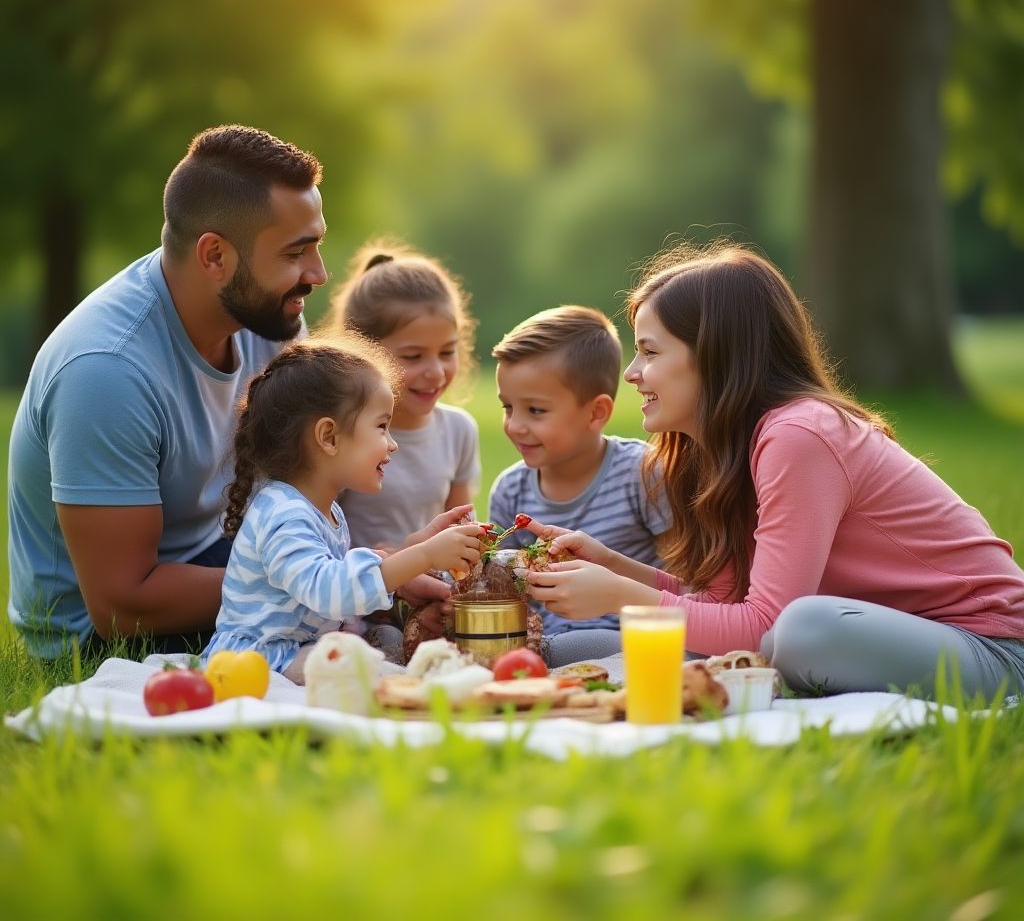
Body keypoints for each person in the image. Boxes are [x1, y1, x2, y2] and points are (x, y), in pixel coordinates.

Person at [523, 242, 1024, 698]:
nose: (632, 373)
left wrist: (623, 597)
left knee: (803, 630)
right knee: (598, 650)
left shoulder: (800, 436)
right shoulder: (720, 452)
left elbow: (763, 626)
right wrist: (615, 567)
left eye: (650, 352)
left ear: (717, 356)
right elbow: (722, 607)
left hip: (992, 648)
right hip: (888, 640)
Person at [8, 125, 330, 658]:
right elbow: (122, 605)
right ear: (215, 256)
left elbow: (308, 479)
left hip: (216, 556)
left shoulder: (266, 318)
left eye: (316, 245)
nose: (318, 273)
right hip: (105, 635)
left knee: (381, 614)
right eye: (296, 252)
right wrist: (318, 583)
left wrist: (377, 561)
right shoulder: (107, 371)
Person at [201, 337, 483, 682]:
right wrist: (424, 556)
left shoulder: (323, 510)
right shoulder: (284, 513)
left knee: (372, 652)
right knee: (358, 667)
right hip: (256, 660)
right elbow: (328, 591)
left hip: (295, 652)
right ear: (329, 437)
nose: (392, 444)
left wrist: (415, 548)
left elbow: (339, 577)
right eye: (381, 426)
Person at [489, 306, 670, 668]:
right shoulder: (510, 490)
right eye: (508, 407)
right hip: (543, 637)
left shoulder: (642, 473)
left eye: (535, 410)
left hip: (629, 636)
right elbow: (502, 588)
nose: (515, 425)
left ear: (596, 412)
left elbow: (686, 583)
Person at [328, 239, 481, 655]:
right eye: (413, 356)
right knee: (390, 646)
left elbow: (461, 529)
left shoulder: (458, 430)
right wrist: (396, 572)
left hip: (430, 596)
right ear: (363, 354)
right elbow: (320, 543)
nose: (436, 371)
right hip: (356, 601)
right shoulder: (345, 436)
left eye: (447, 352)